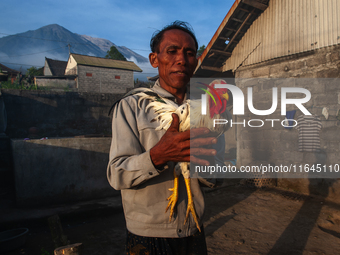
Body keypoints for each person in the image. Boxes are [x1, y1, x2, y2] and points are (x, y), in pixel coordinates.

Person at [107, 21, 218, 255]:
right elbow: (116, 174)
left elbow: (213, 174)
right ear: (154, 60)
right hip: (149, 234)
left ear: (195, 62)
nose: (182, 59)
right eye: (172, 51)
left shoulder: (205, 109)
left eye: (189, 53)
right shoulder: (131, 106)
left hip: (193, 228)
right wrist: (158, 156)